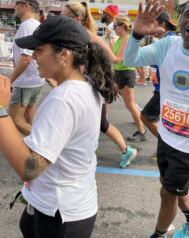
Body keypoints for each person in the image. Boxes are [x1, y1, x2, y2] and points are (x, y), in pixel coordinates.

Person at [0, 15, 116, 238]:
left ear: (63, 54)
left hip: (61, 215)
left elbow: (29, 168)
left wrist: (1, 109)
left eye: (39, 50)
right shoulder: (85, 84)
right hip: (64, 205)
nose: (33, 56)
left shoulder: (64, 99)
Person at [124, 0, 189, 237]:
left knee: (167, 194)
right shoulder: (167, 46)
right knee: (169, 186)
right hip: (167, 136)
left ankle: (157, 235)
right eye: (188, 14)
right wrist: (137, 35)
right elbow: (130, 60)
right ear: (179, 20)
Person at [61, 1, 137, 168]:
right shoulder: (73, 35)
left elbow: (114, 59)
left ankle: (126, 150)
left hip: (94, 86)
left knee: (102, 123)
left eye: (64, 16)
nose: (61, 19)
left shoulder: (88, 35)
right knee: (86, 121)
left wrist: (123, 46)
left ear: (77, 19)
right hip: (82, 86)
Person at [138, 12, 177, 158]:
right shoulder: (163, 41)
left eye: (151, 24)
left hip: (165, 91)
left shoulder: (171, 40)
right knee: (162, 122)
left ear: (162, 24)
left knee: (145, 117)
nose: (149, 28)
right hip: (161, 90)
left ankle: (167, 148)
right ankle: (168, 148)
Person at [9, 0, 45, 136]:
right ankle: (35, 152)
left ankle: (42, 143)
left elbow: (26, 58)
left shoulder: (27, 26)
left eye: (17, 3)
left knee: (13, 118)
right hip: (35, 80)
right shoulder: (36, 24)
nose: (14, 6)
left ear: (26, 6)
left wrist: (9, 80)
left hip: (25, 82)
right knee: (29, 118)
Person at [113, 15, 147, 141]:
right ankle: (101, 124)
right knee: (105, 97)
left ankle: (142, 131)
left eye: (115, 26)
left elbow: (117, 58)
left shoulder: (126, 39)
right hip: (118, 73)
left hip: (125, 73)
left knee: (130, 105)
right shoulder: (119, 39)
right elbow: (114, 55)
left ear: (122, 26)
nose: (114, 28)